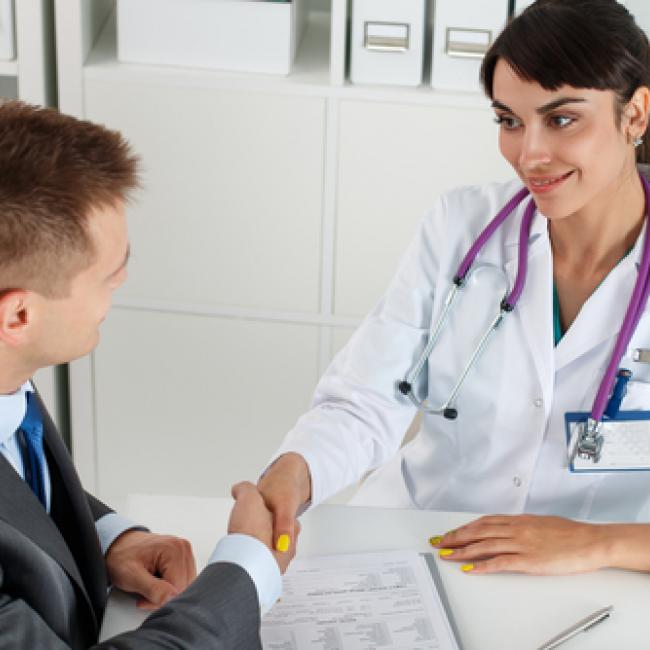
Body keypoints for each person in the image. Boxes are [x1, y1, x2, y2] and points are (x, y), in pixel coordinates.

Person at [258, 0, 650, 576]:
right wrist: (294, 472)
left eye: (561, 119)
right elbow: (367, 401)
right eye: (509, 121)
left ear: (635, 115)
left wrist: (598, 544)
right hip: (422, 542)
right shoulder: (461, 227)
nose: (529, 154)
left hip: (593, 584)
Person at [0, 101, 292, 648]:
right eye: (110, 275)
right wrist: (247, 570)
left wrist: (105, 539)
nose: (124, 281)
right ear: (18, 315)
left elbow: (15, 495)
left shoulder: (7, 374)